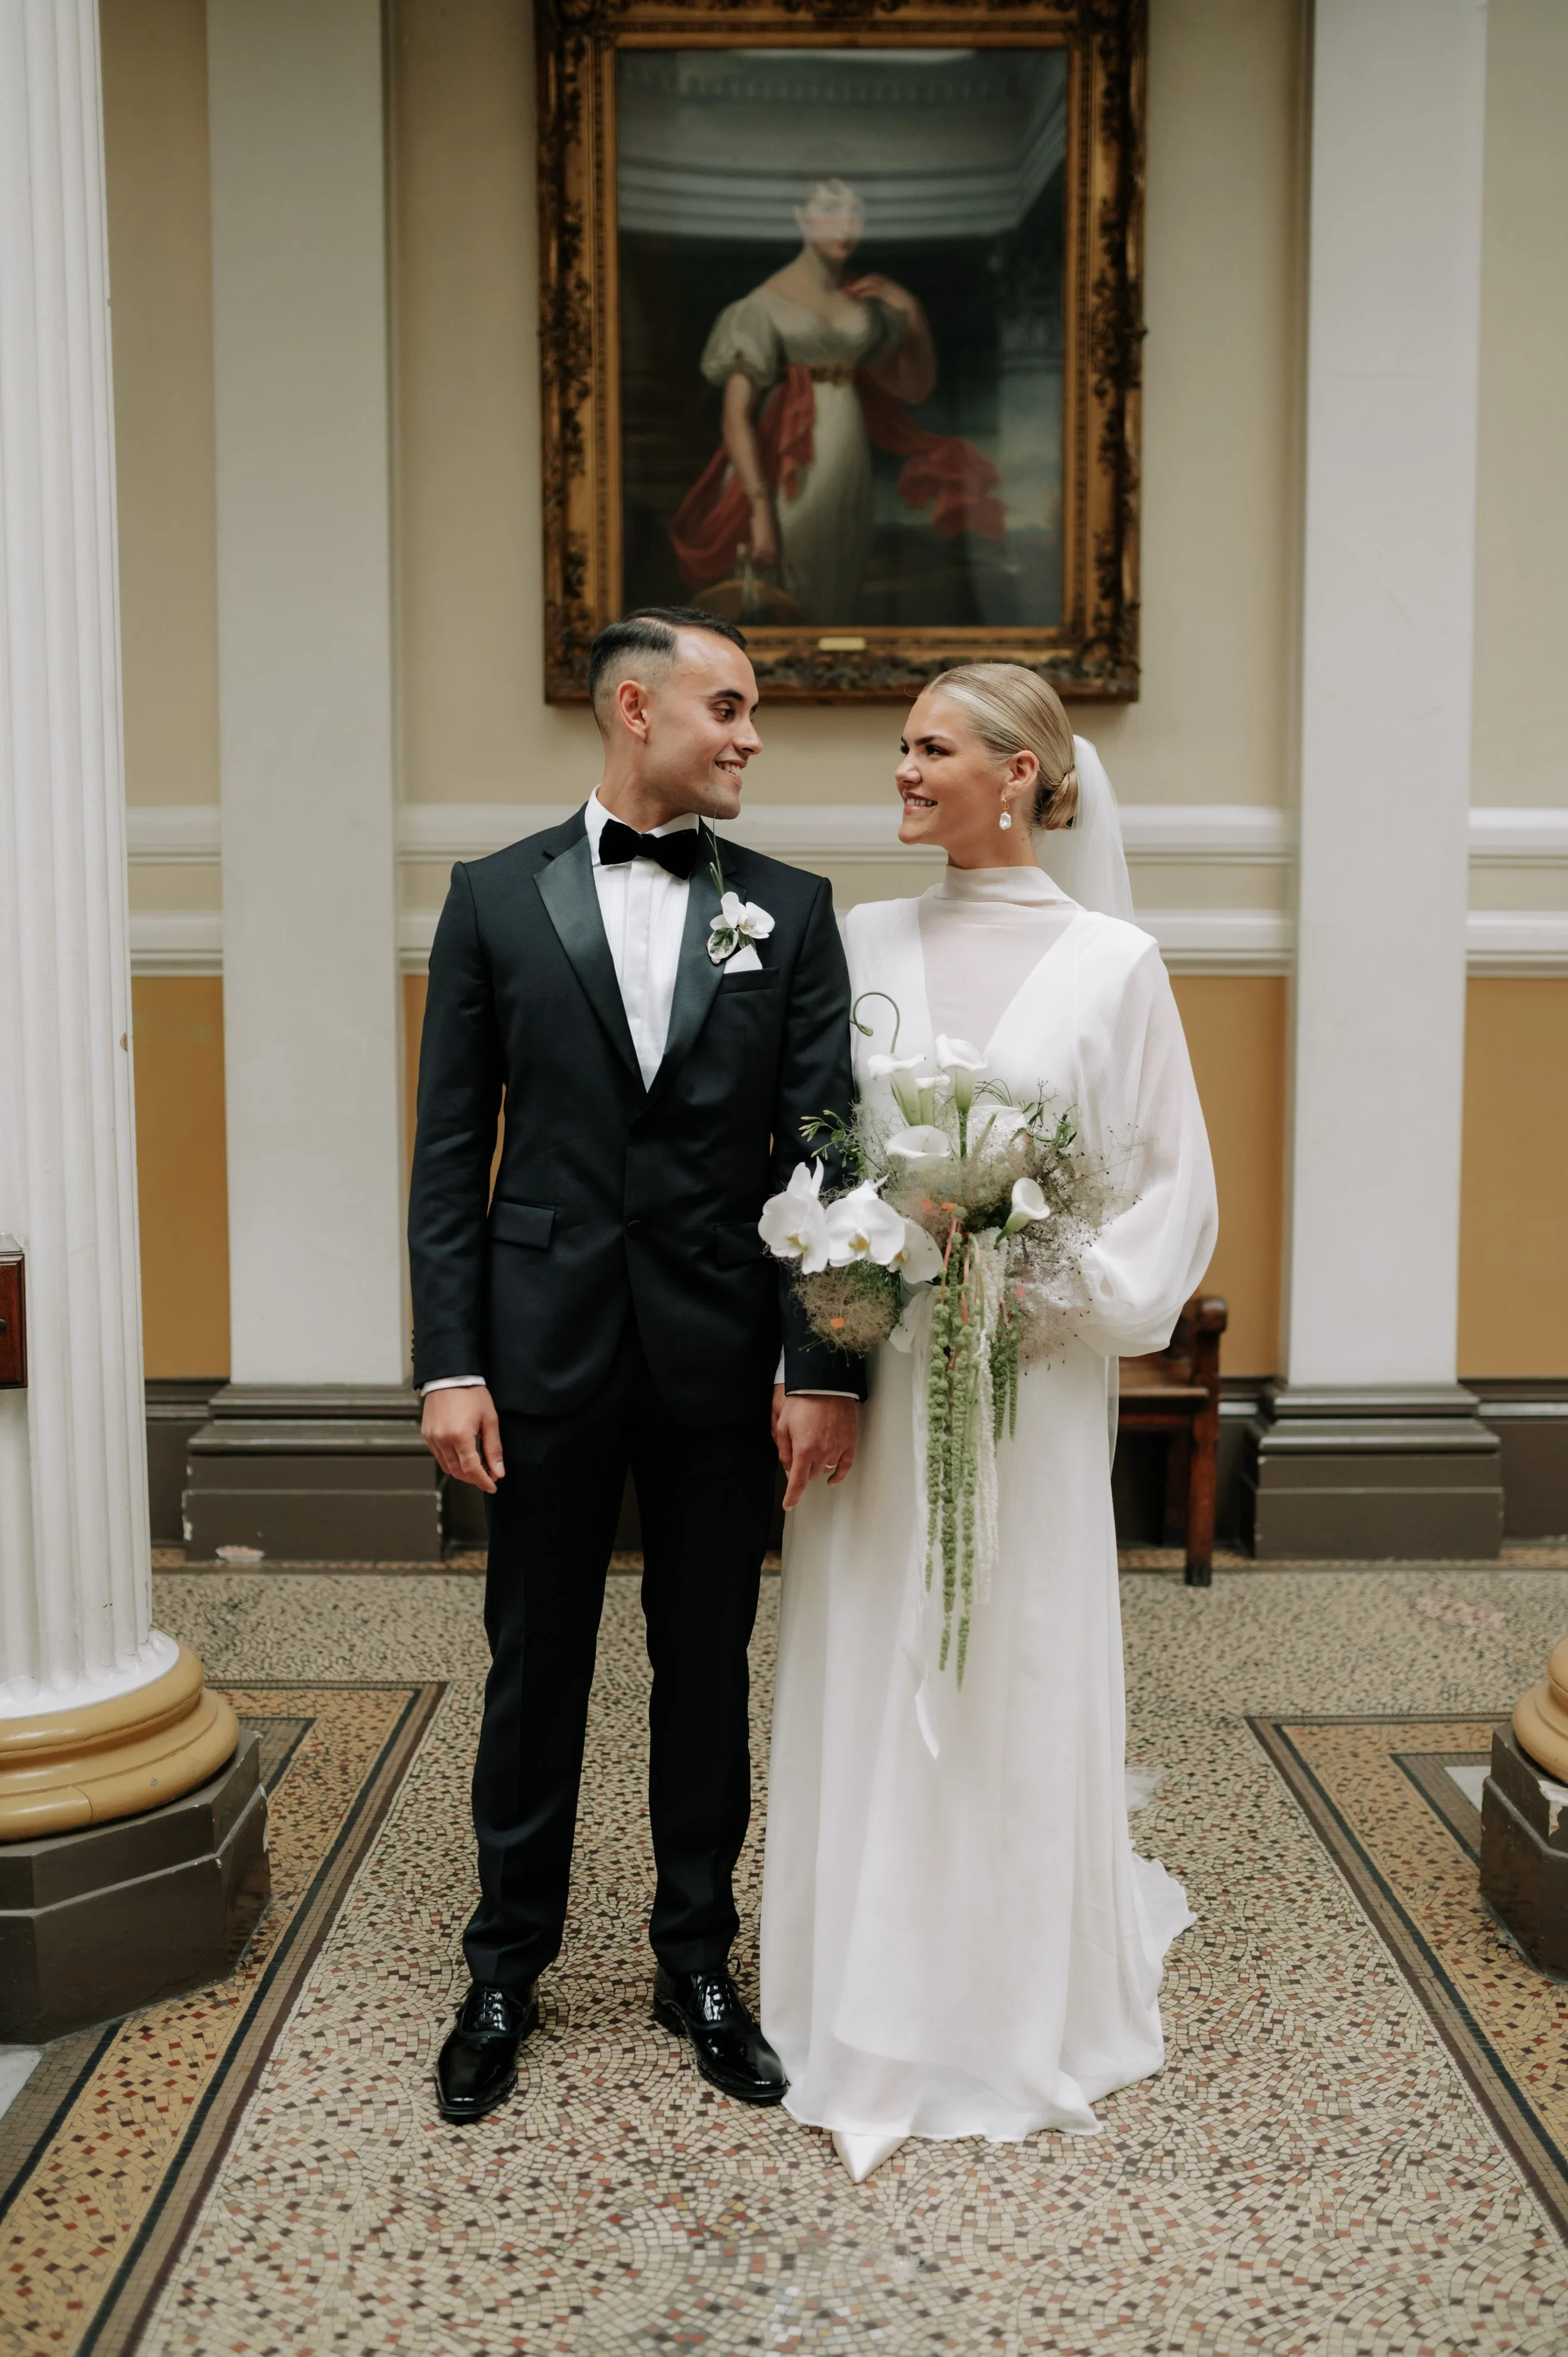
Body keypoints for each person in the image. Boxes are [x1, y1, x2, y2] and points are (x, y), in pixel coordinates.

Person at [760, 664, 1218, 2182]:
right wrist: (830, 1342)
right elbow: (819, 1151)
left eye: (930, 748)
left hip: (1023, 1378)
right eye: (901, 745)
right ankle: (867, 1991)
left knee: (1005, 1642)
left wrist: (1029, 1267)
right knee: (872, 1642)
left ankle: (1011, 1990)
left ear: (1019, 773)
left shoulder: (1113, 961)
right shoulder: (855, 938)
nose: (900, 769)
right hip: (875, 1377)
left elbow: (1168, 1192)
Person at [410, 609, 865, 2124]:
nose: (748, 736)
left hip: (718, 1355)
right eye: (725, 706)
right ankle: (503, 1966)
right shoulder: (489, 899)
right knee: (534, 1663)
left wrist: (824, 1362)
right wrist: (449, 1361)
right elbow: (447, 1158)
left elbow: (826, 1150)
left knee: (705, 1664)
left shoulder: (790, 912)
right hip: (535, 1352)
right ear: (633, 706)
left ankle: (697, 1960)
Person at [669, 179, 1004, 623]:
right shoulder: (761, 306)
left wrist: (911, 311)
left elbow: (913, 389)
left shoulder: (864, 302)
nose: (845, 224)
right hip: (787, 465)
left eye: (855, 212)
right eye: (830, 210)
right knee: (793, 577)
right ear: (801, 217)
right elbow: (735, 418)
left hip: (849, 454)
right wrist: (760, 508)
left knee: (840, 572)